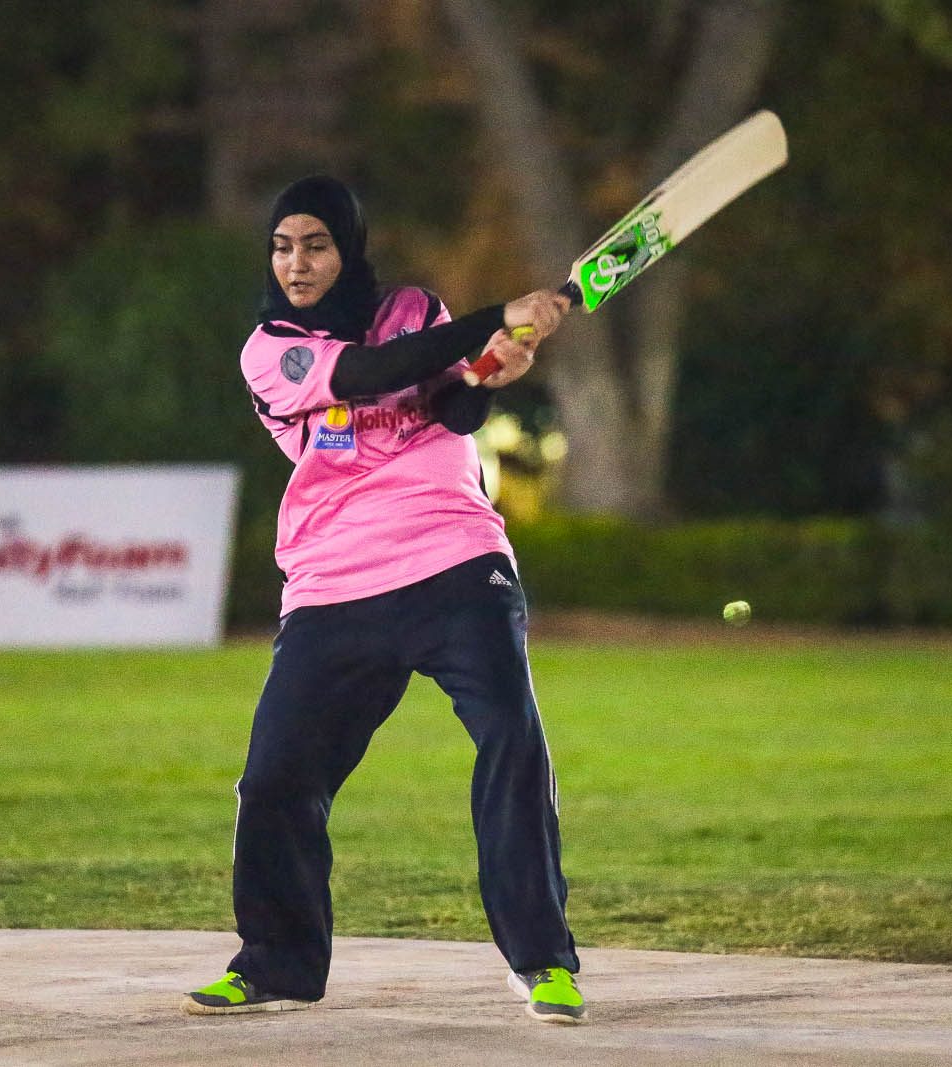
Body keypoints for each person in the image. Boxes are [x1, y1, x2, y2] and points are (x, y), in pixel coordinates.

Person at [182, 175, 585, 1024]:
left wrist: (494, 366)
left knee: (511, 738)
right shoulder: (271, 348)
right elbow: (371, 373)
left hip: (453, 558)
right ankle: (277, 963)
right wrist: (497, 314)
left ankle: (544, 961)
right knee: (275, 778)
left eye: (316, 245)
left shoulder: (413, 310)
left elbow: (451, 405)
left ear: (349, 248)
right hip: (335, 580)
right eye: (282, 247)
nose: (296, 263)